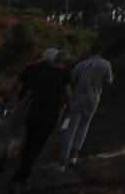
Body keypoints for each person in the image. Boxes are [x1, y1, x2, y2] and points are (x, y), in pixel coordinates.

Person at [9, 48, 71, 191]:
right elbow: (67, 95)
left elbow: (24, 88)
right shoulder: (64, 74)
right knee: (35, 147)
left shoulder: (39, 71)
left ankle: (18, 165)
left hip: (31, 110)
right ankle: (19, 178)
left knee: (27, 140)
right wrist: (68, 107)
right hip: (48, 115)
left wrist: (11, 100)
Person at [58, 43, 114, 167]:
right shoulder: (106, 64)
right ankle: (74, 156)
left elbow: (72, 80)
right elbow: (109, 81)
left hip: (78, 97)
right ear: (101, 52)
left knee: (70, 129)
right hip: (93, 98)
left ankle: (63, 161)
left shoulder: (81, 64)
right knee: (84, 126)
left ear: (90, 51)